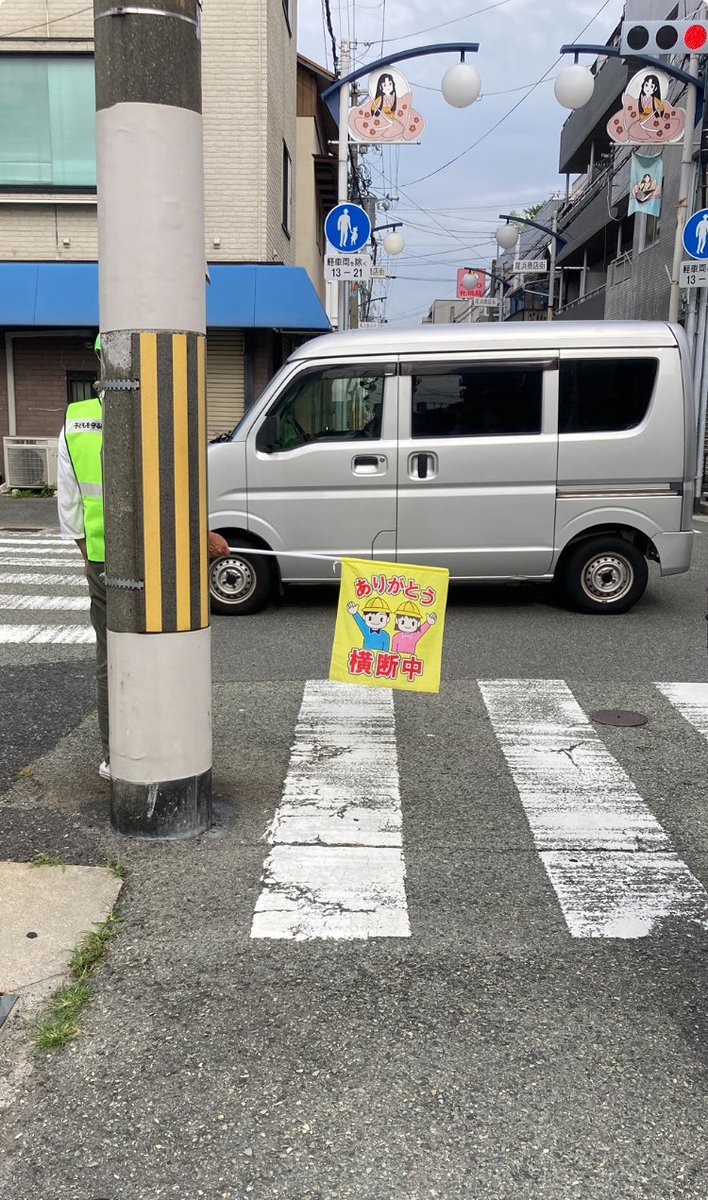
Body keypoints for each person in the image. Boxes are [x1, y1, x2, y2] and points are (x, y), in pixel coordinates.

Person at [57, 335, 229, 781]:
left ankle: (117, 755)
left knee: (110, 656)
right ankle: (170, 747)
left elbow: (70, 507)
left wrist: (89, 555)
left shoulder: (75, 422)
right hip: (163, 555)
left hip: (102, 560)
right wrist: (201, 535)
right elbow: (173, 487)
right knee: (169, 643)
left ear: (100, 364)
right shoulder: (157, 414)